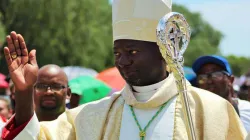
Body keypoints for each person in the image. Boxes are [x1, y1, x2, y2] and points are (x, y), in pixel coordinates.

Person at [1, 0, 247, 140]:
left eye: (132, 52)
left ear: (163, 50)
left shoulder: (210, 111)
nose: (122, 61)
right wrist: (24, 93)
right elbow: (38, 137)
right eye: (117, 53)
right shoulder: (96, 115)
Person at [192, 55, 250, 132]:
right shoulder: (193, 119)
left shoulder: (247, 111)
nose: (209, 81)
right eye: (202, 77)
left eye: (216, 74)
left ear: (230, 80)